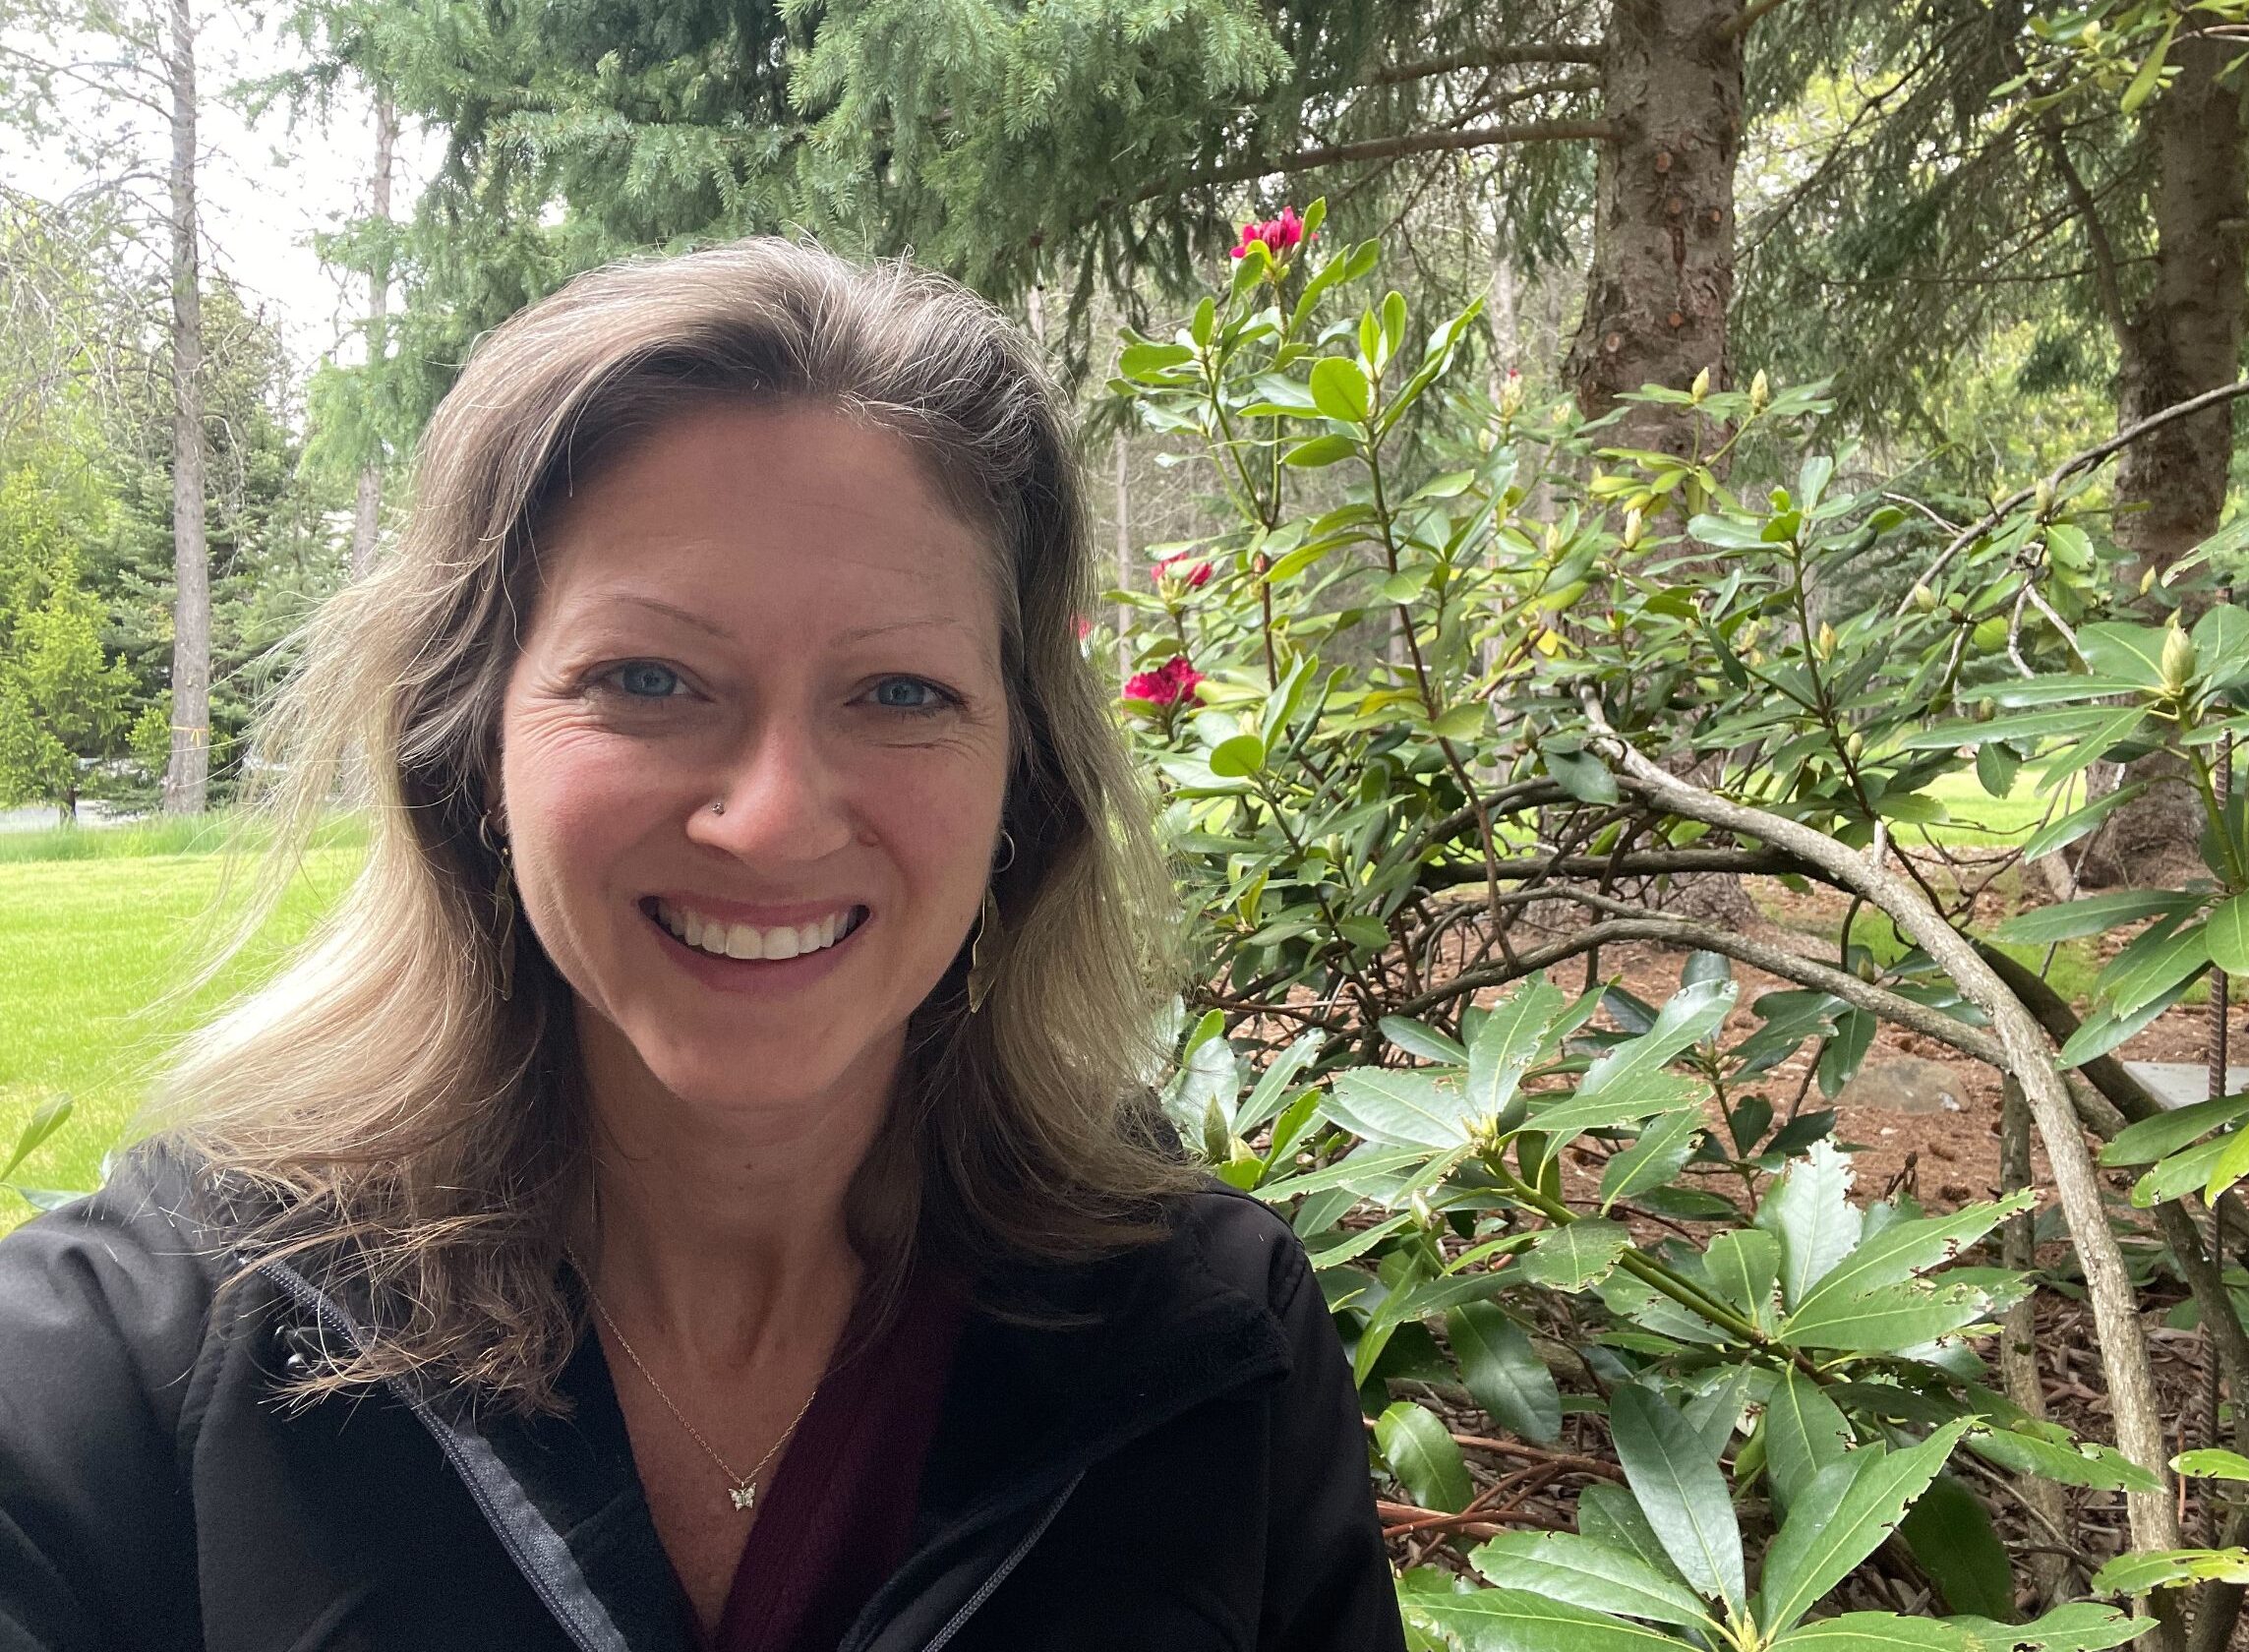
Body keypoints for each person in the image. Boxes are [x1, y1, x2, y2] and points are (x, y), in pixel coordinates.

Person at [0, 240, 1404, 1652]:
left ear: (1023, 788)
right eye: (648, 679)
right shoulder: (145, 1351)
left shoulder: (1210, 1347)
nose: (773, 819)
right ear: (467, 747)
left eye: (900, 690)